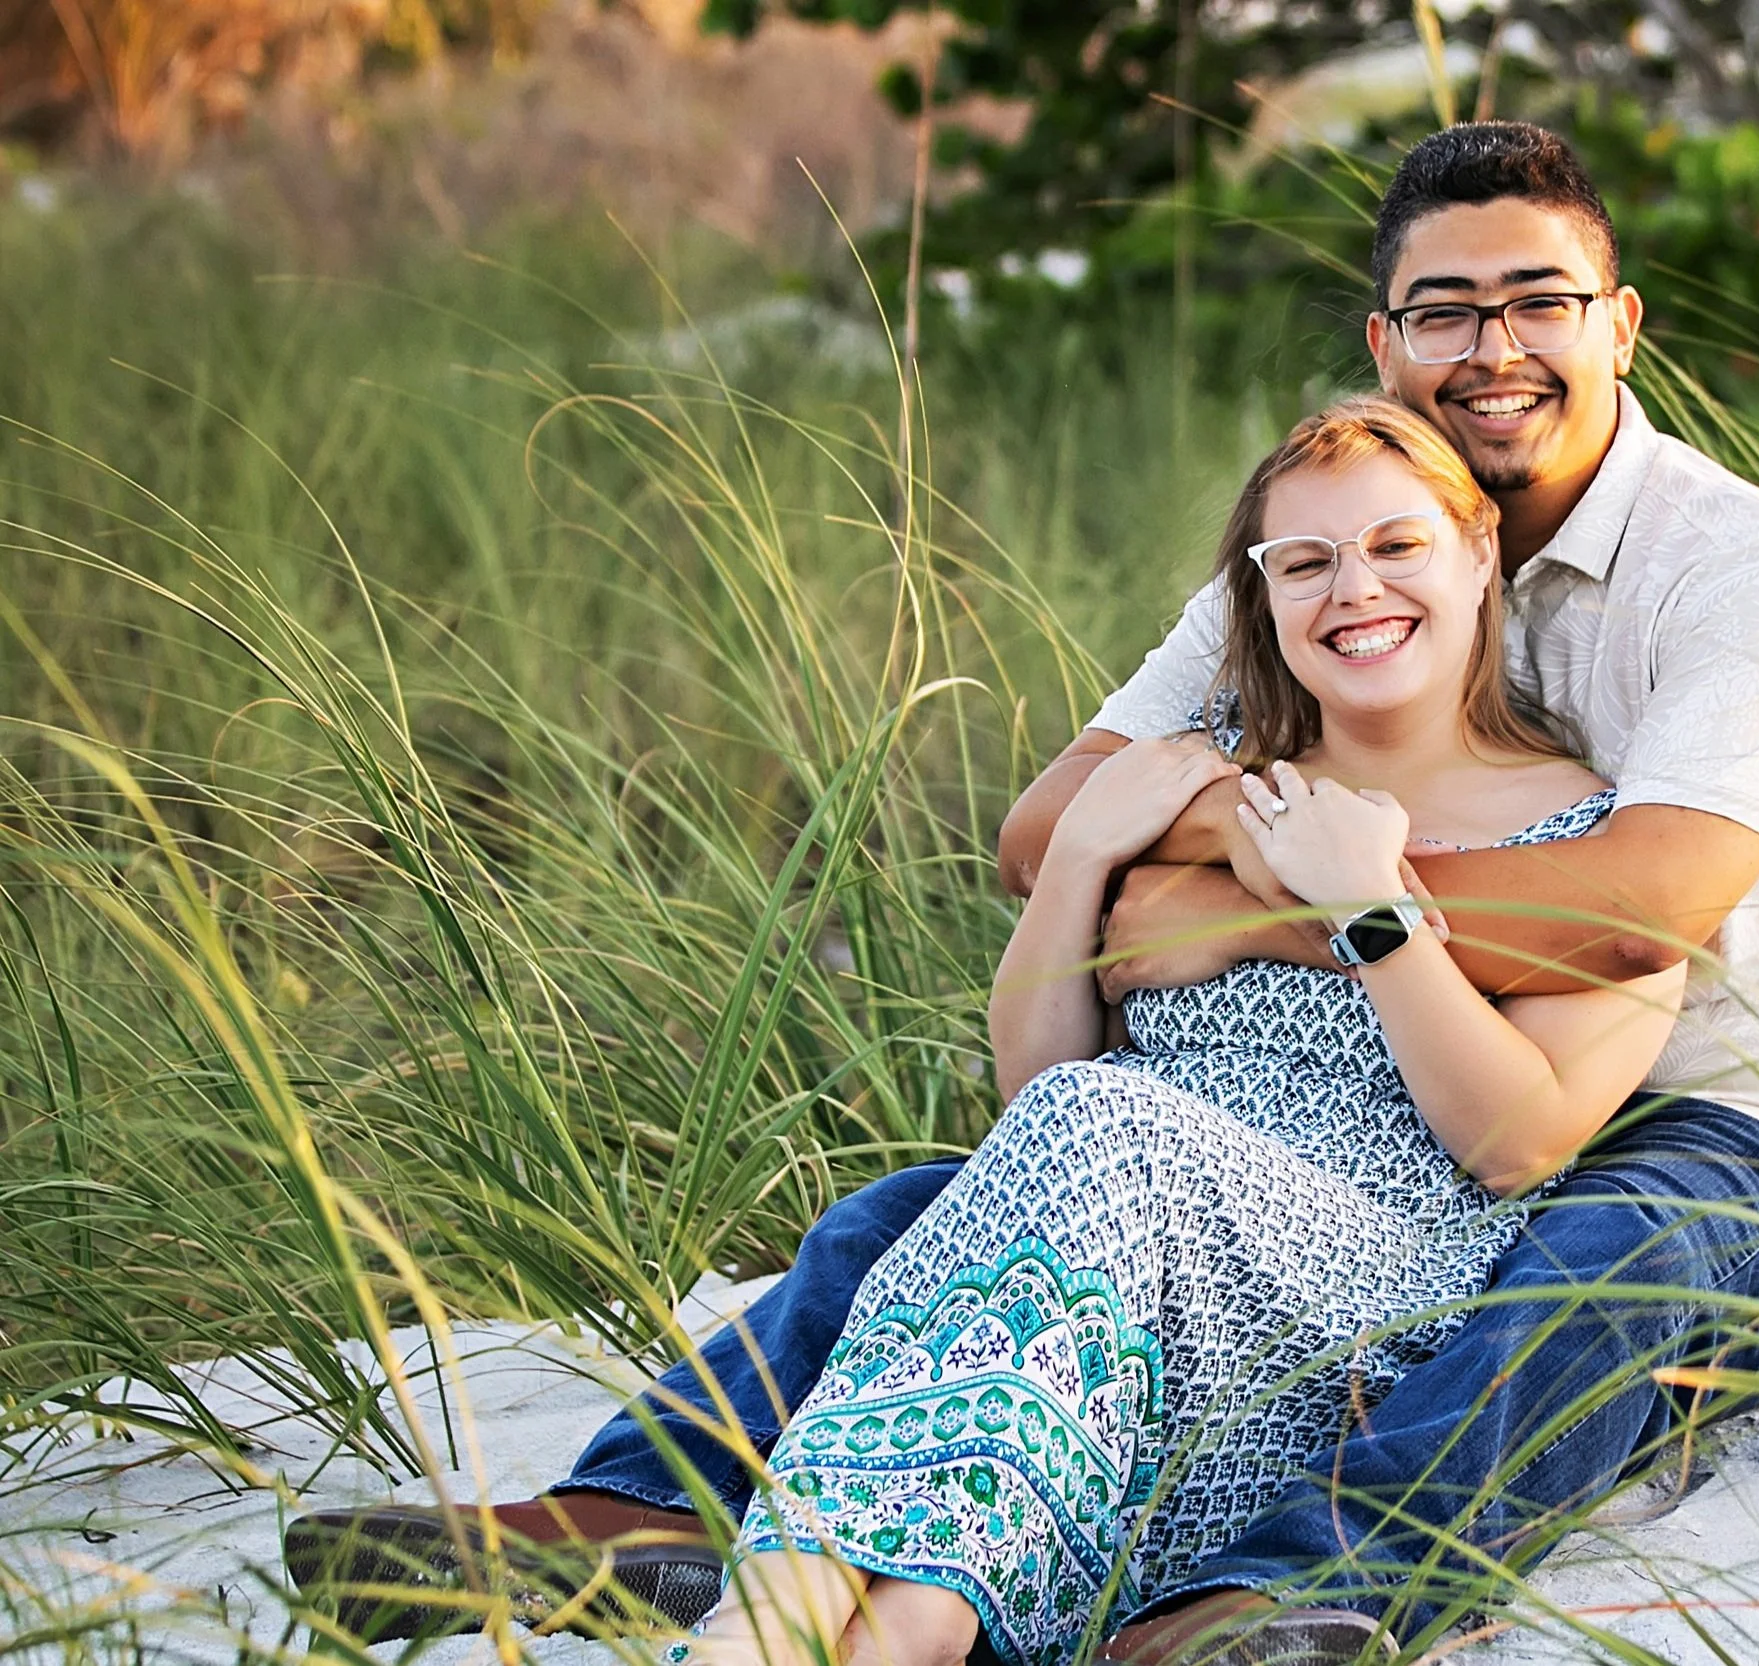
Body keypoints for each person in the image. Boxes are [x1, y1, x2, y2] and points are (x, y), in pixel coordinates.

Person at [284, 120, 1759, 1661]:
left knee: (1598, 1264)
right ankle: (646, 1508)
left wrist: (1274, 901)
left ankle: (1271, 1603)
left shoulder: (1739, 564)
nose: (1494, 344)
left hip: (1730, 1136)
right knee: (906, 1215)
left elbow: (1644, 905)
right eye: (1444, 310)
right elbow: (1052, 818)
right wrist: (1189, 862)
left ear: (1617, 322)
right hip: (1373, 1123)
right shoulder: (1347, 526)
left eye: (1538, 301)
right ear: (1382, 340)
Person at [668, 395, 1687, 1666]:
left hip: (1358, 1291)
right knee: (1073, 1143)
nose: (1352, 589)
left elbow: (1519, 1144)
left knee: (1103, 1128)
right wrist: (1085, 850)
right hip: (1108, 1291)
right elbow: (1035, 1090)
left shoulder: (1588, 833)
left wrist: (1373, 915)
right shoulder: (1200, 782)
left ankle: (761, 1629)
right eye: (1304, 563)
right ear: (1261, 598)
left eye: (1395, 546)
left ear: (1480, 551)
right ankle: (840, 1635)